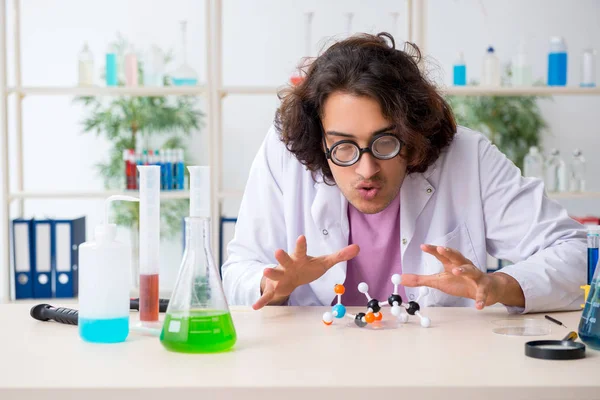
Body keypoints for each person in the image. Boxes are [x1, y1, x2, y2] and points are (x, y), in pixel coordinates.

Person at [221, 32, 586, 314]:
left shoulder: (467, 157)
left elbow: (578, 254)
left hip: (440, 367)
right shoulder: (285, 155)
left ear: (413, 135)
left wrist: (501, 285)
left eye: (385, 143)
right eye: (343, 146)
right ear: (319, 141)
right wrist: (274, 285)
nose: (367, 169)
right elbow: (238, 270)